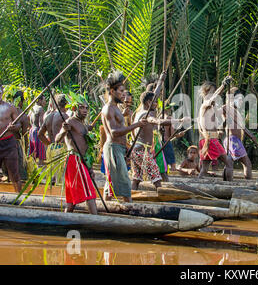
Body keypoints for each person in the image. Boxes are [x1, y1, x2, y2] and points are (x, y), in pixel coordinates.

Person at [101, 72, 148, 203]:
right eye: (121, 91)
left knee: (110, 184)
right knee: (125, 183)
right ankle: (130, 209)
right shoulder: (109, 108)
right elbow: (114, 132)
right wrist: (137, 124)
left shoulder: (116, 108)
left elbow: (117, 124)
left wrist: (123, 115)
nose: (123, 94)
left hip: (119, 148)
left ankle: (106, 208)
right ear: (112, 91)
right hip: (113, 148)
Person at [131, 91, 189, 189]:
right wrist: (179, 120)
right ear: (149, 103)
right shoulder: (146, 114)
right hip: (142, 152)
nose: (157, 104)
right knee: (157, 178)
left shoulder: (138, 113)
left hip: (136, 150)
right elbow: (158, 121)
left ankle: (132, 198)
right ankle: (161, 196)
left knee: (136, 178)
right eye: (155, 102)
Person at [55, 100, 98, 214]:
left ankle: (66, 218)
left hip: (83, 161)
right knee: (89, 191)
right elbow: (57, 139)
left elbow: (87, 148)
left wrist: (90, 168)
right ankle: (96, 219)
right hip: (74, 159)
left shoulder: (83, 124)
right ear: (74, 109)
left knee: (71, 202)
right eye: (81, 108)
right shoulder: (70, 122)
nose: (84, 110)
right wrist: (64, 130)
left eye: (86, 108)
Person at [197, 77, 233, 180]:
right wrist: (223, 85)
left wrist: (226, 120)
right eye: (212, 92)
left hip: (207, 140)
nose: (214, 95)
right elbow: (214, 98)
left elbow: (220, 114)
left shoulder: (211, 107)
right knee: (229, 162)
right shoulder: (205, 105)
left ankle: (199, 185)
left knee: (204, 169)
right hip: (210, 140)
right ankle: (230, 187)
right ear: (206, 92)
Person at [223, 87, 253, 180]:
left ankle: (227, 182)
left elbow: (243, 127)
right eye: (239, 99)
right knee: (247, 163)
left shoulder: (236, 112)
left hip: (234, 140)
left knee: (229, 162)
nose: (241, 102)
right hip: (233, 140)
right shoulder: (228, 108)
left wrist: (251, 136)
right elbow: (223, 112)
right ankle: (247, 183)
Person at [2, 90, 29, 183]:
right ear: (21, 101)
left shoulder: (19, 114)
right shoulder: (23, 115)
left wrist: (13, 127)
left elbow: (23, 132)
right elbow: (25, 136)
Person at [0, 84, 22, 192]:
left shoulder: (10, 107)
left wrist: (13, 127)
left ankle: (19, 196)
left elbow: (18, 125)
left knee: (14, 173)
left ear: (2, 92)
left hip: (9, 144)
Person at [28, 94, 47, 165]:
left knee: (33, 153)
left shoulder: (32, 108)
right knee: (40, 154)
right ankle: (40, 171)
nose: (45, 102)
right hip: (38, 131)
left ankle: (33, 169)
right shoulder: (40, 109)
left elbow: (28, 118)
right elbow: (41, 124)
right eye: (44, 100)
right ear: (39, 100)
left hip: (32, 131)